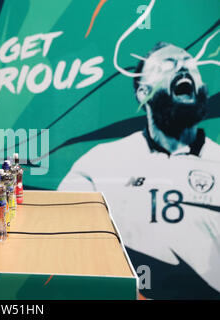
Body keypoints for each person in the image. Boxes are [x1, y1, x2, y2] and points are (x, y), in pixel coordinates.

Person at [58, 42, 220, 299]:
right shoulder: (98, 165)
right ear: (143, 92)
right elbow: (63, 242)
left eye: (190, 63)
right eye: (168, 64)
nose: (182, 67)